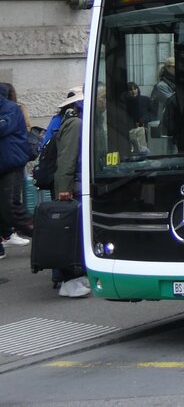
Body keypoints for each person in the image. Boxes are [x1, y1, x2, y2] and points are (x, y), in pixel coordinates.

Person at [52, 99, 90, 298]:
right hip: (74, 185)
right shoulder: (77, 124)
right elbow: (67, 158)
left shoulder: (75, 121)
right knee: (73, 233)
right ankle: (69, 280)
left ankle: (70, 277)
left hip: (75, 183)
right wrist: (64, 187)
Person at [0, 82, 36, 260]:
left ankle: (43, 234)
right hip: (4, 163)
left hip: (10, 164)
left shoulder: (11, 109)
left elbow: (3, 127)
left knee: (11, 207)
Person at [149, 56, 175, 135]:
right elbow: (173, 101)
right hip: (166, 122)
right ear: (168, 68)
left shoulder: (175, 83)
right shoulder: (161, 86)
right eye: (174, 67)